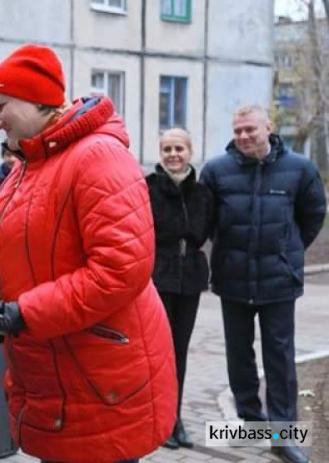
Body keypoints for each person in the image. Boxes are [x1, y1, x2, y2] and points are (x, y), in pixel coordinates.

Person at [0, 44, 177, 463]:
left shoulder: (97, 157)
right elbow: (13, 259)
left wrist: (25, 313)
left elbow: (119, 270)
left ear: (34, 100)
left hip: (97, 377)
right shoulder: (32, 164)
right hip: (60, 371)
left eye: (0, 106)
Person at [200, 104, 326, 463]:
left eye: (249, 130)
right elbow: (204, 220)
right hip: (232, 279)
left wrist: (289, 251)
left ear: (268, 127)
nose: (242, 136)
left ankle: (283, 436)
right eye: (237, 130)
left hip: (278, 281)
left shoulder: (299, 169)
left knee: (280, 358)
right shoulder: (216, 171)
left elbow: (313, 215)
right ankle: (251, 423)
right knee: (239, 356)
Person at [145, 128, 213, 450]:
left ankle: (175, 418)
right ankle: (159, 419)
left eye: (179, 149)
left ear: (190, 151)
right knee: (159, 351)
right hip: (159, 277)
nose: (173, 154)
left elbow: (204, 232)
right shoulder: (149, 187)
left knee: (180, 351)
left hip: (190, 279)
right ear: (161, 153)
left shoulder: (202, 192)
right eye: (167, 149)